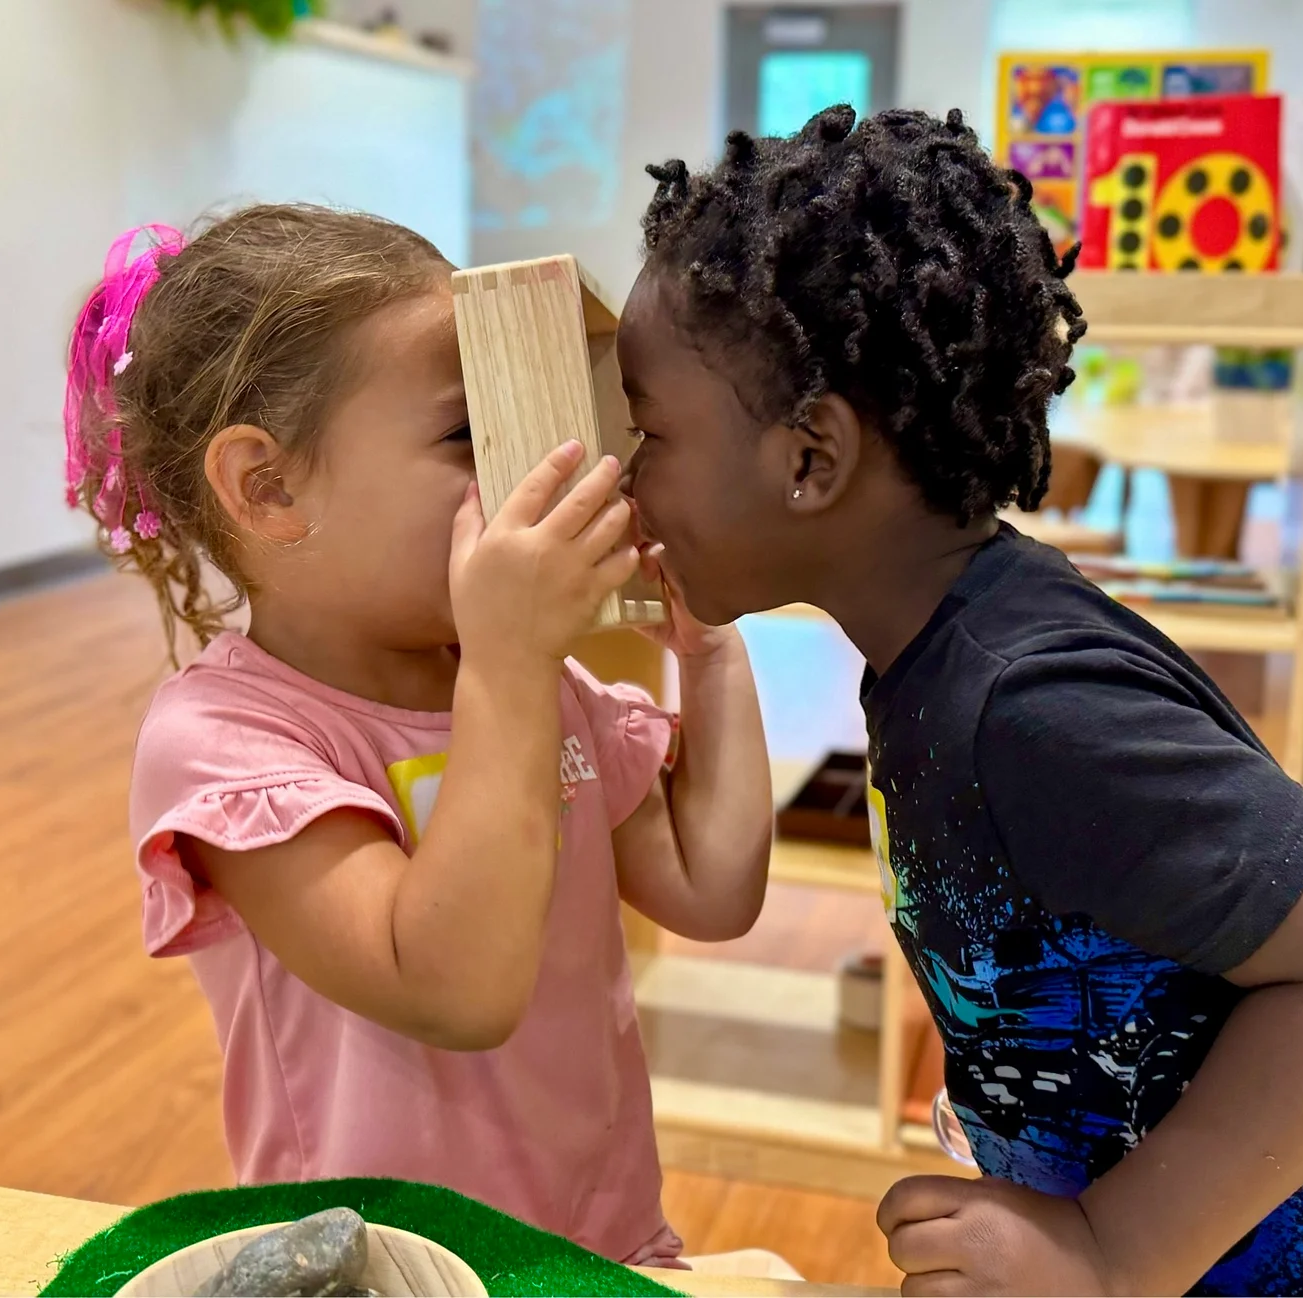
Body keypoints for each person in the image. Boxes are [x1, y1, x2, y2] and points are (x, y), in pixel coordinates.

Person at [614, 106, 1303, 1296]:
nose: (626, 472)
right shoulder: (933, 655)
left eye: (649, 430)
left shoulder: (1031, 704)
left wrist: (1113, 1247)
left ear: (809, 460)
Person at [63, 205, 773, 1265]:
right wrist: (506, 664)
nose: (536, 473)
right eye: (469, 436)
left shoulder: (533, 679)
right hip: (374, 1266)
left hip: (601, 1237)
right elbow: (453, 986)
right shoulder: (229, 739)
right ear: (267, 487)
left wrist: (708, 645)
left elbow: (710, 887)